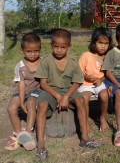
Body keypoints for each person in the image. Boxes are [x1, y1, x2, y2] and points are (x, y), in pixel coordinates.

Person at [35, 29, 99, 161]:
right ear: (51, 45)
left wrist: (65, 96)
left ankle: (85, 137)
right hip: (50, 90)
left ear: (69, 47)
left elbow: (76, 82)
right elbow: (43, 83)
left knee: (80, 101)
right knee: (41, 105)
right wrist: (58, 96)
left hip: (68, 90)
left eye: (63, 47)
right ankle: (40, 144)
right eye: (56, 47)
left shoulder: (73, 62)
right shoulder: (46, 61)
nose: (59, 50)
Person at [5, 33, 42, 151]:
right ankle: (19, 133)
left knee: (31, 103)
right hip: (22, 90)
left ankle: (29, 131)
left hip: (36, 90)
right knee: (11, 108)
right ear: (22, 50)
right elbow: (21, 86)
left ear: (40, 49)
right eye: (29, 51)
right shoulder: (20, 66)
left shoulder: (43, 63)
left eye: (36, 51)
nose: (32, 54)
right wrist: (21, 102)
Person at [78, 27, 113, 133]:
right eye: (100, 43)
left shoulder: (108, 57)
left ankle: (102, 118)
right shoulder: (86, 55)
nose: (103, 46)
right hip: (85, 83)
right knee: (85, 97)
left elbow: (107, 73)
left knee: (104, 95)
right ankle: (85, 123)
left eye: (106, 43)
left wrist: (101, 79)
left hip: (99, 83)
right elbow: (78, 72)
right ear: (94, 42)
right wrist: (86, 77)